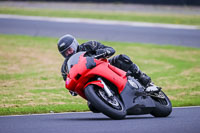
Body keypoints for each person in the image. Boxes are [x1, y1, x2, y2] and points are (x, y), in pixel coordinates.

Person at [57, 34, 152, 94]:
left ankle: (143, 78)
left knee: (122, 59)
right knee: (93, 107)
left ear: (74, 44)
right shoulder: (65, 68)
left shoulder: (89, 45)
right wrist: (72, 89)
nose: (68, 53)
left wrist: (103, 52)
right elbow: (69, 83)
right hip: (89, 81)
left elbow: (111, 49)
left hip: (104, 67)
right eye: (65, 52)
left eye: (69, 49)